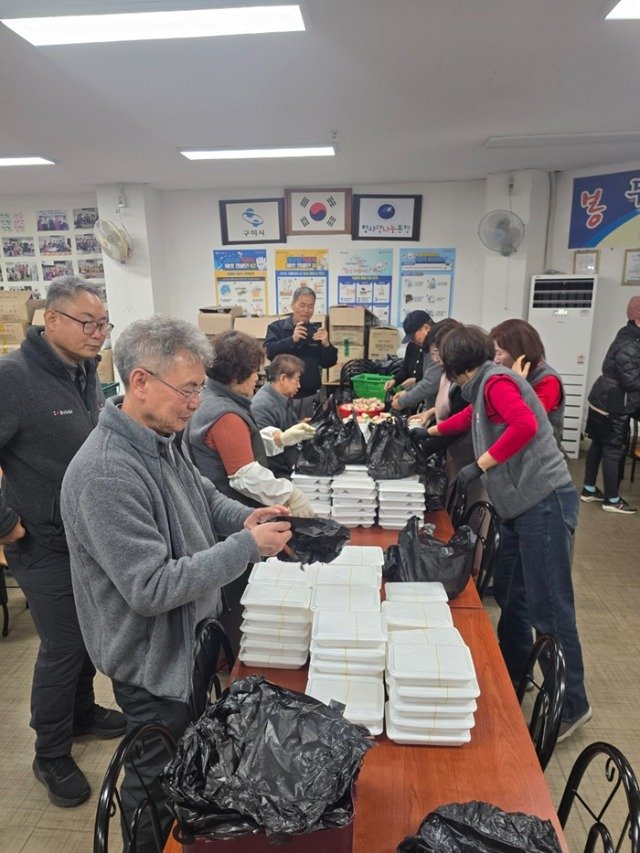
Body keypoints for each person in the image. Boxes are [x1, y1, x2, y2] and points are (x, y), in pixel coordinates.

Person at [60, 315, 293, 850]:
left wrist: (244, 518)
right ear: (140, 382)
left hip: (188, 643)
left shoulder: (162, 437)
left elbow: (202, 498)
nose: (195, 403)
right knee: (156, 785)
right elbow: (150, 588)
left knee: (185, 768)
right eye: (187, 390)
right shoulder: (106, 472)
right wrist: (246, 547)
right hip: (152, 662)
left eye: (199, 389)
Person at [427, 324, 591, 741]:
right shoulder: (483, 384)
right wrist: (430, 432)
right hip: (519, 505)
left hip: (543, 500)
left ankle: (572, 704)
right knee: (512, 595)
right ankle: (513, 674)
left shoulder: (496, 382)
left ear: (455, 365)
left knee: (549, 606)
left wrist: (479, 465)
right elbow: (472, 417)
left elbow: (525, 426)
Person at [0, 276, 126, 809]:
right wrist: (6, 525)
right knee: (63, 645)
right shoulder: (12, 377)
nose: (98, 333)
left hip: (84, 537)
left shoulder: (85, 372)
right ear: (51, 320)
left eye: (103, 324)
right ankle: (50, 751)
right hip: (39, 541)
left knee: (87, 633)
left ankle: (80, 713)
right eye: (87, 323)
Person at [185, 330, 314, 516]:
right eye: (254, 371)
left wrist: (280, 439)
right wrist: (290, 494)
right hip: (231, 515)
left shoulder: (211, 397)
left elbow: (240, 443)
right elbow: (246, 476)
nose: (256, 378)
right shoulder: (225, 415)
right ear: (236, 374)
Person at [581, 296, 640, 514]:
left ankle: (588, 490)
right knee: (613, 450)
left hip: (603, 397)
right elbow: (630, 381)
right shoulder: (631, 344)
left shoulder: (627, 334)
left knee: (598, 444)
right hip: (614, 401)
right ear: (638, 319)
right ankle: (612, 500)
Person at [490, 318, 565, 449]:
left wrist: (517, 383)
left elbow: (527, 421)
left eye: (499, 353)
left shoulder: (548, 380)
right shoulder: (505, 371)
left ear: (519, 353)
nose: (495, 360)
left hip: (538, 452)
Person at [265, 286, 338, 418]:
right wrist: (292, 340)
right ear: (293, 305)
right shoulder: (277, 328)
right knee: (283, 430)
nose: (306, 310)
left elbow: (329, 362)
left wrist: (326, 344)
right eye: (302, 305)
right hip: (282, 397)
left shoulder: (316, 331)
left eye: (310, 306)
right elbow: (269, 352)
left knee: (309, 429)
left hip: (311, 397)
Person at [251, 354, 316, 479]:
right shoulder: (262, 406)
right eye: (297, 380)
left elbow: (284, 429)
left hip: (289, 465)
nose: (299, 385)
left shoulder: (283, 397)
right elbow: (262, 449)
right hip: (276, 475)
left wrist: (300, 425)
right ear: (283, 379)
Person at [390, 310, 441, 413]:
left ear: (426, 328)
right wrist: (407, 391)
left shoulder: (439, 346)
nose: (413, 341)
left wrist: (402, 401)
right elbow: (427, 380)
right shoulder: (428, 346)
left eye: (413, 336)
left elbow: (430, 384)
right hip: (434, 410)